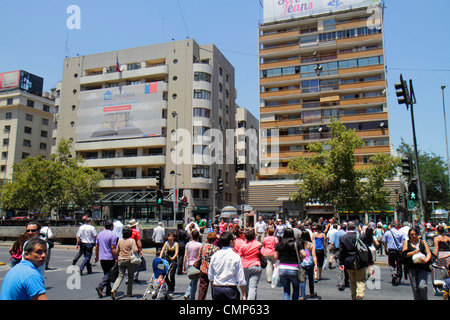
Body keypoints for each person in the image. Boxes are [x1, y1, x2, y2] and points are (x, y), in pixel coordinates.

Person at [338, 221, 373, 300]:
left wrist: (341, 263)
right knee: (360, 280)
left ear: (347, 228)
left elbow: (341, 252)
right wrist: (370, 262)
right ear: (355, 227)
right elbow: (366, 249)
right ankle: (359, 295)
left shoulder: (343, 238)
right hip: (359, 261)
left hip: (348, 262)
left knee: (352, 281)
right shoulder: (361, 237)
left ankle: (354, 297)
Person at [208, 231, 247, 300]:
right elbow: (241, 277)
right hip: (230, 288)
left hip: (217, 287)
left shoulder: (215, 255)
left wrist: (213, 287)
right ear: (231, 242)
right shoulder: (235, 256)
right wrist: (243, 294)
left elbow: (211, 275)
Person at [274, 228, 305, 300]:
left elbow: (275, 256)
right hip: (294, 268)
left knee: (286, 290)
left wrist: (281, 258)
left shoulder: (279, 244)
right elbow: (304, 254)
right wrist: (300, 260)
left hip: (282, 268)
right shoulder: (297, 244)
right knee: (296, 288)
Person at [402, 226, 432, 300]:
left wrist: (426, 260)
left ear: (418, 234)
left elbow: (429, 253)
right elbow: (404, 254)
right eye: (412, 234)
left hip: (422, 267)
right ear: (409, 235)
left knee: (422, 286)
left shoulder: (422, 242)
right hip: (412, 268)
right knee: (415, 289)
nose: (414, 236)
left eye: (415, 234)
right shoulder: (407, 243)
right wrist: (414, 252)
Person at [111, 226, 138, 300]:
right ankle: (129, 293)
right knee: (130, 277)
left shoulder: (120, 240)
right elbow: (135, 250)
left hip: (121, 259)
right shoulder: (132, 241)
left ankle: (114, 289)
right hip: (129, 260)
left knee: (120, 276)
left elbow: (117, 251)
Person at [94, 220, 118, 298]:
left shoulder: (100, 234)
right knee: (110, 274)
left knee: (106, 273)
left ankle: (108, 290)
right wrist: (116, 257)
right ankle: (100, 286)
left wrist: (96, 256)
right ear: (111, 227)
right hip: (110, 257)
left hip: (102, 257)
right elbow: (113, 247)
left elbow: (97, 247)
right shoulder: (112, 235)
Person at [238, 229, 263, 300]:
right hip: (256, 265)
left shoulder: (243, 245)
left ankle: (246, 296)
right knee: (253, 287)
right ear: (254, 236)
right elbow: (263, 253)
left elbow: (239, 255)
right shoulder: (258, 244)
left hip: (245, 266)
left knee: (246, 285)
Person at [197, 232, 219, 300]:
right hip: (212, 270)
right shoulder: (216, 249)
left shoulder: (203, 246)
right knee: (214, 287)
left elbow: (199, 256)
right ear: (214, 240)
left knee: (202, 288)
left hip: (203, 268)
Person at [383, 221, 405, 285]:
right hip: (398, 250)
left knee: (391, 263)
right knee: (399, 264)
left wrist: (385, 249)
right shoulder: (400, 233)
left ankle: (393, 272)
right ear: (395, 226)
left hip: (391, 250)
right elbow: (403, 242)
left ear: (390, 226)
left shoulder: (387, 233)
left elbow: (384, 242)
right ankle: (398, 275)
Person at [183, 229, 203, 300]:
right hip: (196, 265)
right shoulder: (200, 245)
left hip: (189, 263)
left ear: (191, 236)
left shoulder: (188, 244)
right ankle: (191, 296)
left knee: (193, 280)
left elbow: (185, 255)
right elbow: (200, 256)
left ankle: (188, 293)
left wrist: (183, 265)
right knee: (194, 282)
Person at [299, 230, 318, 300]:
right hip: (310, 263)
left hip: (302, 262)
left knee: (302, 279)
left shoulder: (300, 244)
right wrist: (316, 264)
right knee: (311, 278)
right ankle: (312, 292)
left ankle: (302, 295)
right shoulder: (311, 244)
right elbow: (314, 255)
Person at [159, 232, 179, 297]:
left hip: (173, 260)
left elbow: (176, 252)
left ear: (173, 238)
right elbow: (162, 250)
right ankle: (170, 286)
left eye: (171, 236)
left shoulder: (176, 244)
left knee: (172, 274)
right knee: (165, 274)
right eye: (169, 236)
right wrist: (160, 256)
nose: (169, 238)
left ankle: (172, 289)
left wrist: (174, 257)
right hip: (167, 260)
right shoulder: (166, 243)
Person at [331, 223, 349, 290]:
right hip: (346, 251)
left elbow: (332, 243)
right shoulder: (346, 235)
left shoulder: (336, 234)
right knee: (346, 266)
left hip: (338, 251)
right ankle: (346, 281)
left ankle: (340, 283)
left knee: (339, 267)